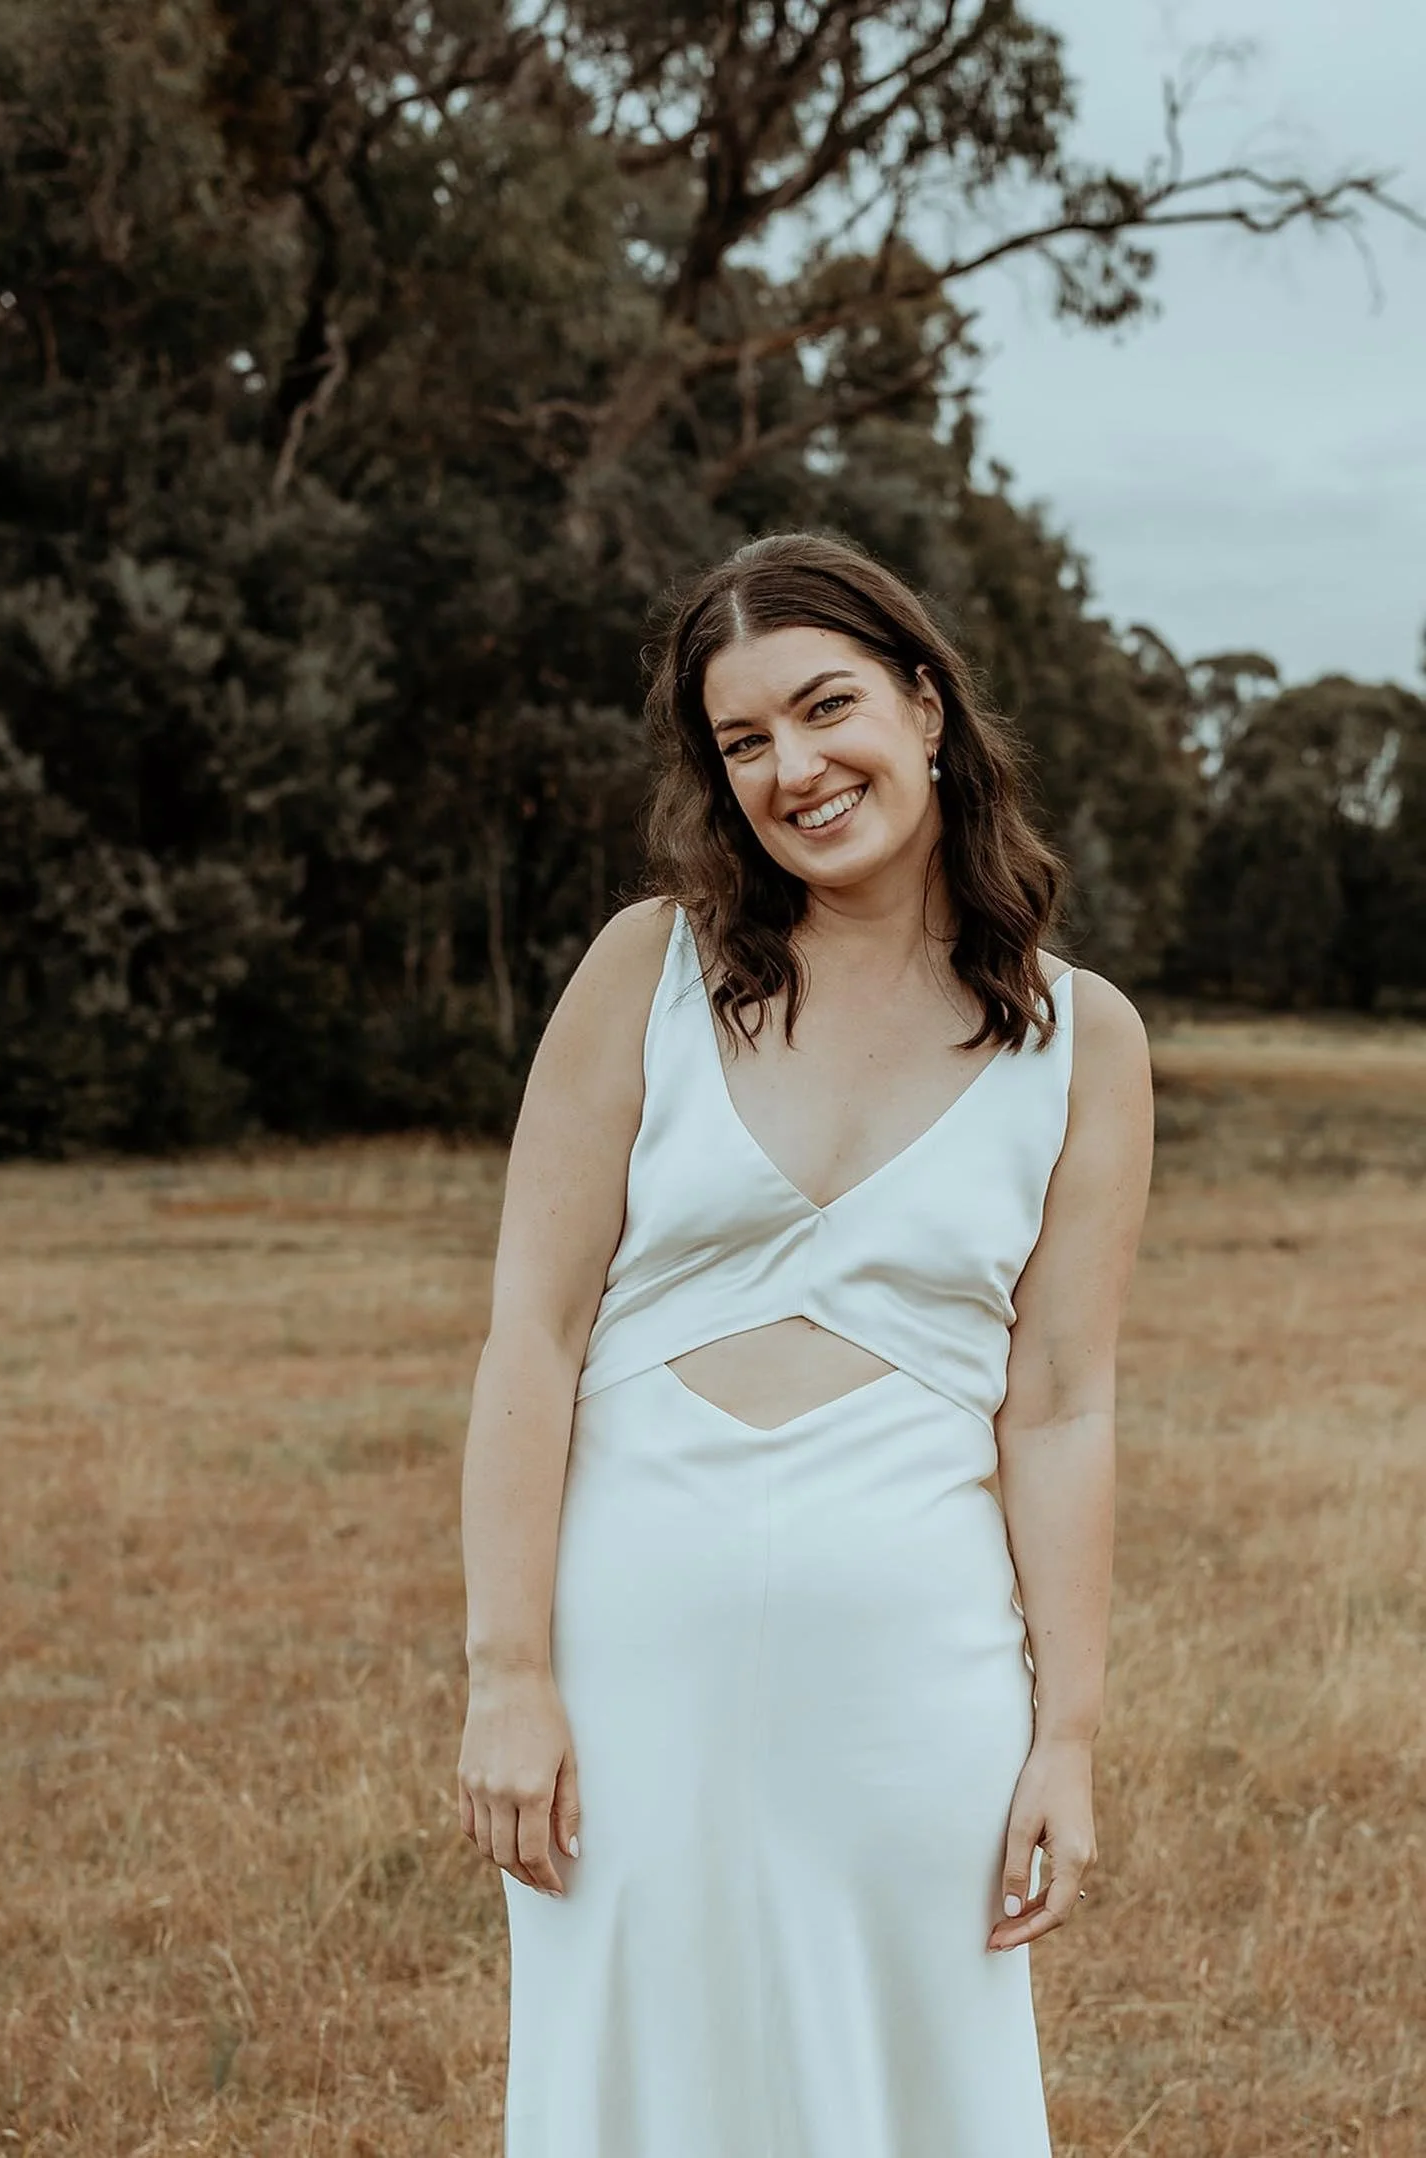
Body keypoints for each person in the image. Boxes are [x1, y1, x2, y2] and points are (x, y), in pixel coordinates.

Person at [457, 530, 1155, 2157]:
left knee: (901, 2092)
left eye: (824, 705)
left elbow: (1057, 1405)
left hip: (915, 1679)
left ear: (925, 703)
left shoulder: (1083, 1040)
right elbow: (530, 1340)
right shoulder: (646, 970)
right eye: (743, 741)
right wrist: (509, 1676)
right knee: (636, 2080)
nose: (795, 767)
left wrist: (1067, 1737)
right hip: (634, 1668)